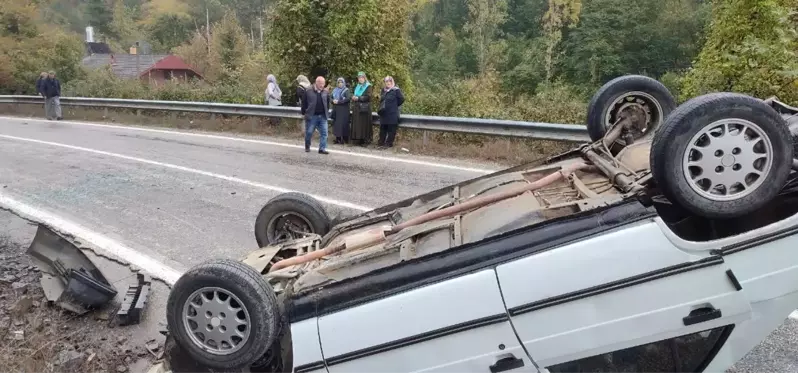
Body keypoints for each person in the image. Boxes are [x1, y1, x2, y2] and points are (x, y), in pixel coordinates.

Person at [300, 76, 330, 154]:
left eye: (323, 83)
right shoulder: (308, 91)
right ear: (316, 82)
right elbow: (304, 103)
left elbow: (328, 103)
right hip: (312, 116)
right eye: (320, 83)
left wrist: (326, 112)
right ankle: (307, 146)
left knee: (324, 133)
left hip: (323, 116)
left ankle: (322, 149)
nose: (322, 85)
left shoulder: (325, 92)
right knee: (309, 132)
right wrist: (304, 112)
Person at [377, 76, 404, 148]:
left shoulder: (396, 90)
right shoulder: (383, 90)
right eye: (386, 81)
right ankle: (381, 143)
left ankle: (388, 144)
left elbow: (401, 99)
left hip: (392, 113)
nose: (388, 83)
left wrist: (394, 105)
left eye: (390, 81)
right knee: (383, 129)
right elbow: (381, 100)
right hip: (384, 113)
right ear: (385, 83)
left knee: (391, 130)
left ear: (392, 82)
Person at [350, 72, 374, 146]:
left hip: (364, 108)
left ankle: (365, 140)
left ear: (364, 78)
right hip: (357, 108)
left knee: (364, 125)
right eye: (359, 78)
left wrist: (358, 98)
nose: (360, 79)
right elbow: (354, 94)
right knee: (358, 124)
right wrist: (353, 97)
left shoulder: (368, 86)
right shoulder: (357, 86)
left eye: (362, 77)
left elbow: (369, 97)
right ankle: (358, 139)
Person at [331, 77, 351, 144]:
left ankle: (345, 139)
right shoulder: (335, 90)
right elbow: (330, 98)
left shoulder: (346, 90)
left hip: (344, 110)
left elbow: (348, 99)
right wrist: (333, 101)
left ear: (344, 83)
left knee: (343, 125)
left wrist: (339, 102)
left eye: (341, 82)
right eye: (339, 82)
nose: (340, 84)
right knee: (337, 125)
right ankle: (338, 139)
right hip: (336, 110)